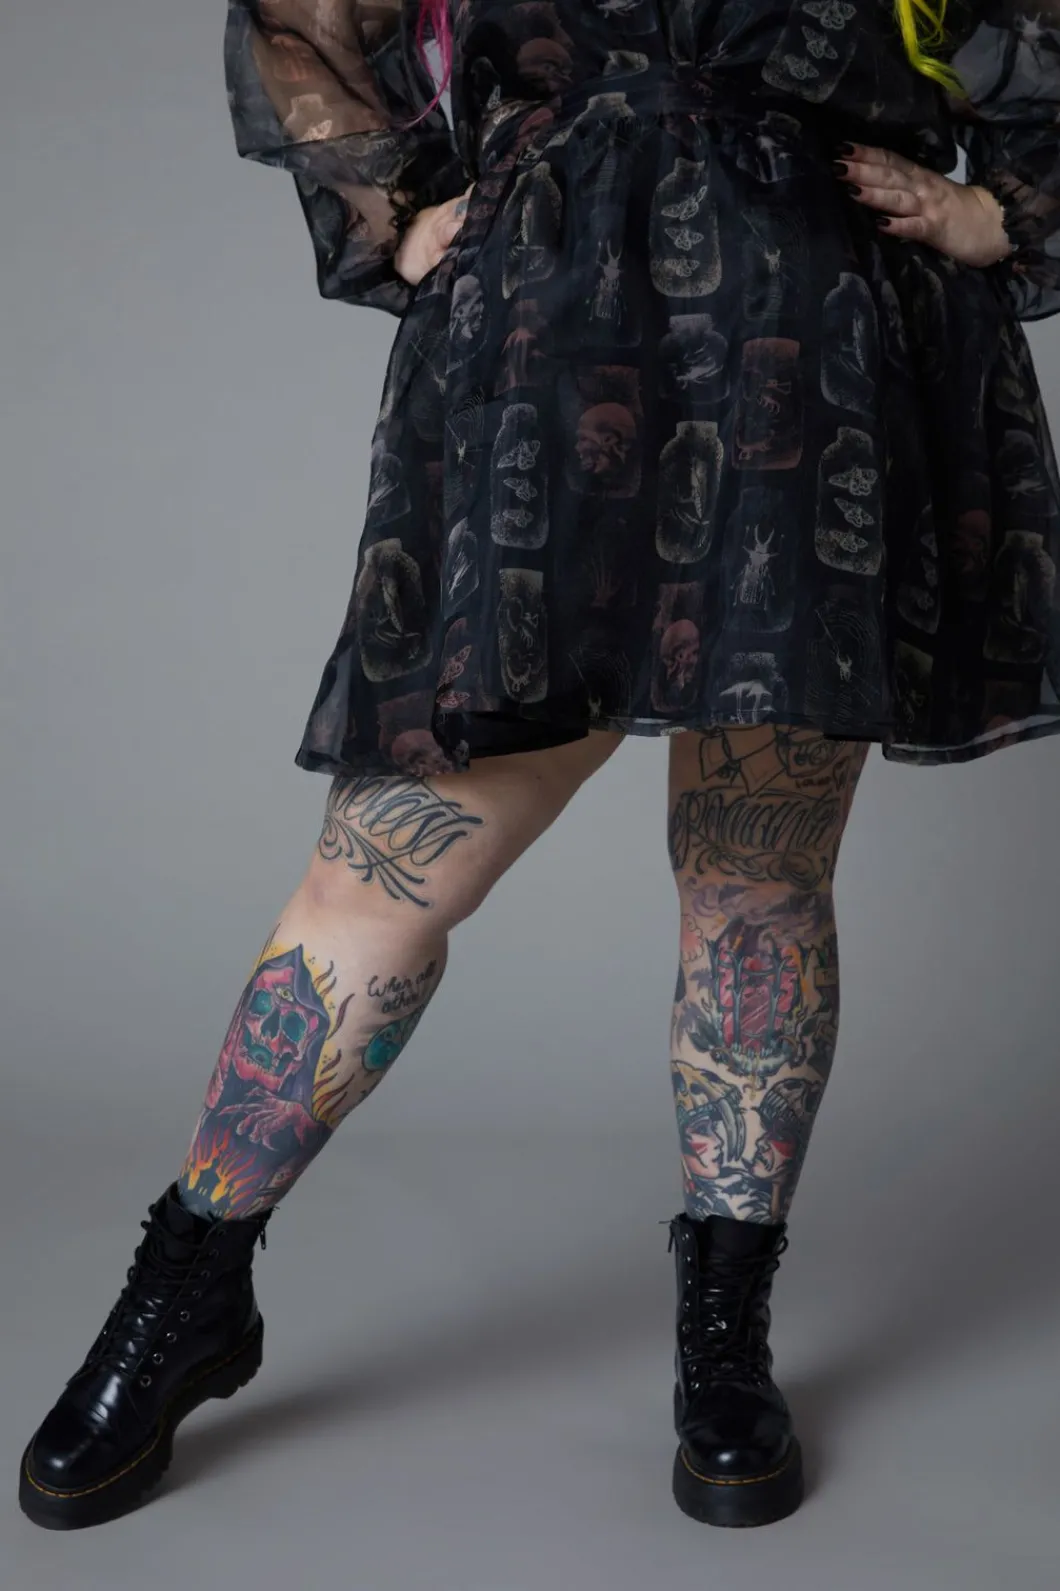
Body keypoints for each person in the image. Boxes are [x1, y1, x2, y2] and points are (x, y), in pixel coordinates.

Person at [17, 0, 1060, 1535]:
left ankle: (725, 1334)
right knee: (383, 870)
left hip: (814, 344)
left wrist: (1003, 209)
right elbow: (307, 17)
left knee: (757, 873)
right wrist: (396, 214)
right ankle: (189, 1285)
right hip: (551, 343)